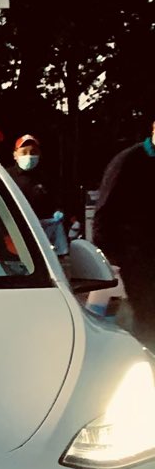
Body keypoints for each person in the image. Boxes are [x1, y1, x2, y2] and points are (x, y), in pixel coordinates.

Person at [94, 121, 155, 345]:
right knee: (147, 317)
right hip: (137, 258)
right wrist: (110, 257)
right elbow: (104, 210)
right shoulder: (129, 161)